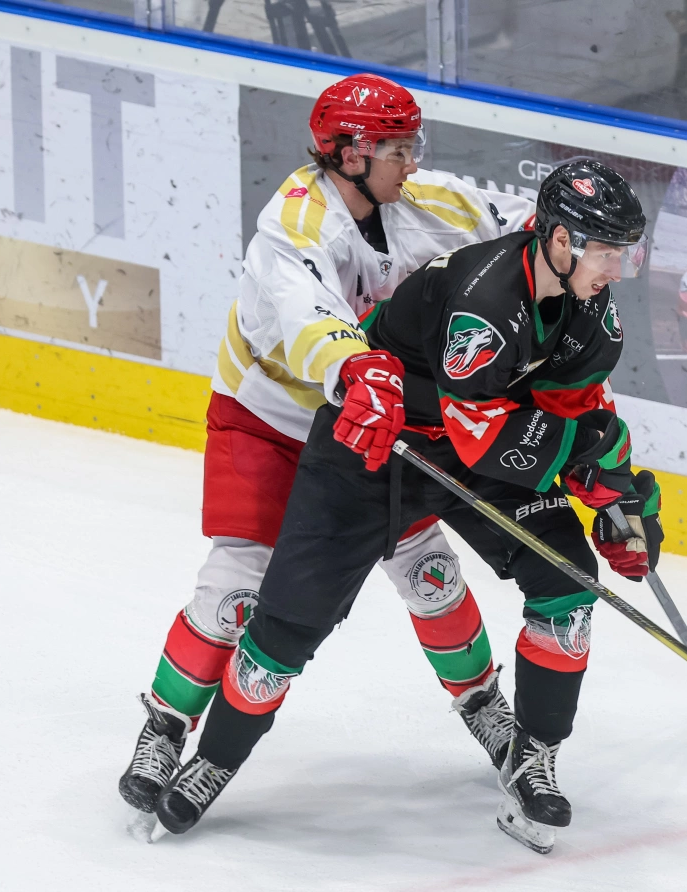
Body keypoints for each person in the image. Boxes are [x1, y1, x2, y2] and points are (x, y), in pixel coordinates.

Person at [154, 160, 664, 854]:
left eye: (624, 254)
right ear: (560, 241)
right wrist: (584, 466)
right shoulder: (487, 299)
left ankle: (532, 759)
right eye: (606, 252)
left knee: (568, 580)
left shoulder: (593, 312)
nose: (616, 269)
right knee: (288, 623)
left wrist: (621, 498)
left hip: (473, 444)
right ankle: (215, 758)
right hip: (374, 446)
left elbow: (579, 411)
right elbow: (484, 437)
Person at [118, 73, 535, 816]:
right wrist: (358, 368)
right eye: (398, 149)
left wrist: (571, 235)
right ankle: (165, 726)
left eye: (412, 146)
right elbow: (312, 317)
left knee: (429, 573)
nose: (412, 161)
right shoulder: (292, 224)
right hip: (273, 419)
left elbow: (522, 233)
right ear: (349, 154)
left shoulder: (429, 203)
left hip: (372, 429)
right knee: (236, 588)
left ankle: (484, 707)